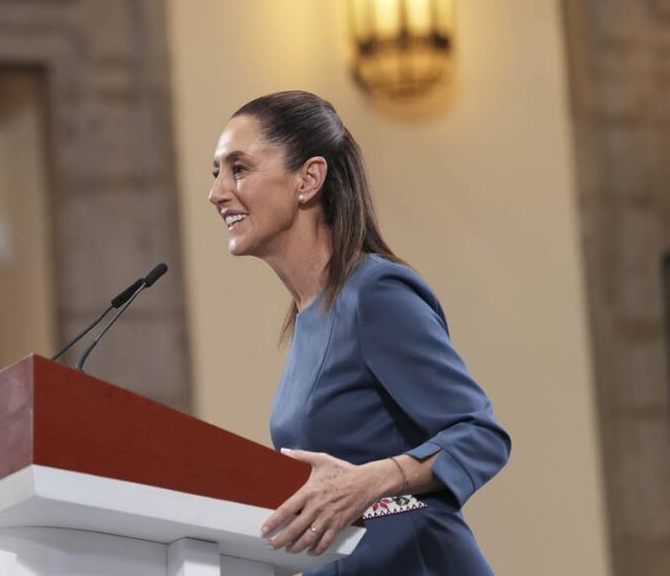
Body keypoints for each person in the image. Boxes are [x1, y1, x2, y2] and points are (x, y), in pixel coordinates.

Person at [208, 91, 511, 574]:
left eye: (238, 168)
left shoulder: (374, 294)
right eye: (217, 172)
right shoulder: (311, 314)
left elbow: (480, 435)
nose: (218, 191)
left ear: (308, 179)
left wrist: (375, 480)